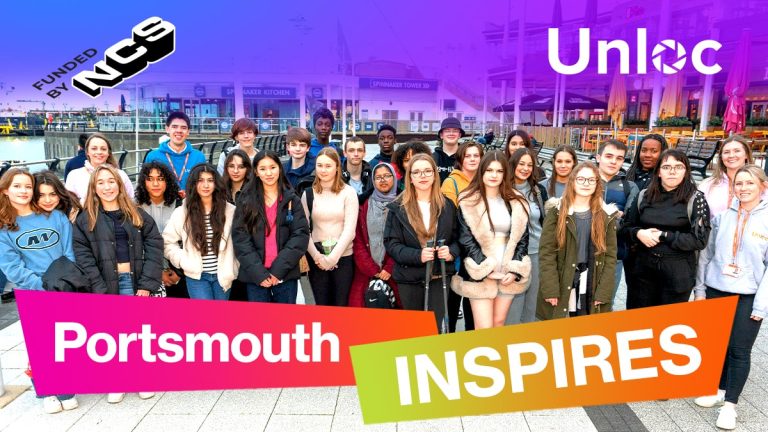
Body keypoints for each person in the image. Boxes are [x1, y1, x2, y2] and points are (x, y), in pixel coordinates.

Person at [72, 164, 162, 404]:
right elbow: (83, 257)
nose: (106, 187)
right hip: (104, 283)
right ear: (94, 187)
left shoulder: (137, 214)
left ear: (119, 184)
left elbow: (155, 248)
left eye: (111, 181)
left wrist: (146, 284)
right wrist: (99, 288)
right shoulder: (84, 219)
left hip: (134, 281)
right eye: (100, 182)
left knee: (137, 334)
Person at [692, 165, 768, 431]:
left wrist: (761, 304)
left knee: (738, 350)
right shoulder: (723, 217)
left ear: (762, 186)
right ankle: (717, 390)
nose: (743, 188)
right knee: (717, 345)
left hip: (748, 294)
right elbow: (706, 257)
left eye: (749, 183)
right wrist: (700, 290)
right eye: (739, 183)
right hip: (716, 288)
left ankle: (730, 406)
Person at [0, 168, 79, 414]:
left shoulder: (55, 217)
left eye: (27, 186)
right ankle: (45, 390)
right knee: (39, 343)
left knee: (63, 340)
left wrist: (65, 282)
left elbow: (69, 252)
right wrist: (41, 286)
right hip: (33, 292)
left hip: (63, 287)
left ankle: (65, 386)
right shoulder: (5, 228)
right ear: (5, 191)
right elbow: (12, 267)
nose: (23, 191)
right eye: (17, 186)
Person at [622, 149, 711, 309]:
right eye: (666, 167)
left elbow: (699, 240)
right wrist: (638, 233)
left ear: (686, 171)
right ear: (658, 172)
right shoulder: (644, 195)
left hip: (677, 272)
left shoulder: (696, 199)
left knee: (667, 326)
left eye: (678, 167)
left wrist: (664, 235)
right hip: (642, 271)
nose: (672, 171)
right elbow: (625, 227)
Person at [454, 151, 531, 329]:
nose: (494, 175)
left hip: (507, 272)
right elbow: (466, 240)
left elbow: (522, 239)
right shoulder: (467, 201)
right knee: (484, 327)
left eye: (499, 171)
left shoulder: (517, 201)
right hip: (480, 271)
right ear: (482, 172)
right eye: (489, 170)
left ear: (506, 174)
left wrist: (514, 270)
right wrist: (486, 269)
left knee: (498, 324)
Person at [384, 154, 460, 331]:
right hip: (409, 279)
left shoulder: (447, 206)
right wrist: (417, 255)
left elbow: (458, 240)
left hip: (439, 277)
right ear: (410, 177)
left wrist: (451, 252)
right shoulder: (398, 207)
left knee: (433, 329)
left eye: (427, 171)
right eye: (417, 172)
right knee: (414, 330)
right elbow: (391, 244)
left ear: (435, 174)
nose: (423, 176)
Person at [537, 162, 619, 320]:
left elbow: (610, 256)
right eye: (581, 179)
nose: (586, 184)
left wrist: (604, 291)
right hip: (563, 278)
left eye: (591, 180)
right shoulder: (557, 212)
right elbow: (546, 253)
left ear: (597, 184)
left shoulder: (606, 215)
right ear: (573, 181)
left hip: (591, 280)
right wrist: (550, 288)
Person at [233, 151, 309, 303]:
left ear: (279, 169)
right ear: (256, 171)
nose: (268, 173)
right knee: (260, 325)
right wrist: (259, 273)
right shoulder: (246, 200)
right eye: (263, 169)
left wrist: (278, 271)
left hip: (285, 275)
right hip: (256, 277)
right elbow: (241, 238)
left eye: (272, 167)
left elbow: (300, 235)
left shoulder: (291, 199)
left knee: (285, 324)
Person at [163, 164, 238, 300]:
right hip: (197, 277)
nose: (206, 185)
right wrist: (182, 260)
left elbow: (241, 241)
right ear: (193, 183)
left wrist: (234, 264)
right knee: (204, 319)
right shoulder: (183, 211)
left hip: (223, 275)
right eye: (200, 180)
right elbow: (167, 242)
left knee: (220, 319)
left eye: (210, 180)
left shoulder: (230, 211)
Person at [301, 148, 358, 306]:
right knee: (321, 305)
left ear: (337, 168)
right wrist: (317, 257)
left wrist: (332, 259)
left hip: (343, 257)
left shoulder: (348, 193)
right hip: (317, 258)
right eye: (320, 165)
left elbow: (349, 231)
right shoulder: (308, 194)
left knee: (341, 305)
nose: (323, 170)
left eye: (328, 166)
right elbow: (304, 230)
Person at [441, 142, 484, 331]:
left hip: (479, 252)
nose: (473, 159)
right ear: (460, 159)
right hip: (458, 250)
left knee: (472, 306)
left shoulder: (485, 181)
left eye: (476, 155)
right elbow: (447, 219)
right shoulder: (452, 183)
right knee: (452, 302)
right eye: (468, 156)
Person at [349, 163, 401, 307]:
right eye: (378, 177)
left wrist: (389, 268)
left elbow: (405, 240)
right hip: (366, 271)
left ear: (394, 178)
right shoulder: (363, 205)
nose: (383, 180)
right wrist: (372, 269)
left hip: (395, 272)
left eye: (387, 176)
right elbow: (357, 239)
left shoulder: (404, 204)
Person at [595, 139, 638, 307]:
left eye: (619, 158)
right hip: (582, 254)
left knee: (605, 302)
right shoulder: (584, 181)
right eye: (609, 156)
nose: (613, 161)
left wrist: (604, 214)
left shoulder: (629, 187)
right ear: (598, 157)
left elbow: (628, 222)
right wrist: (614, 214)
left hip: (614, 255)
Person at [507, 147, 548, 324]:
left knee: (532, 306)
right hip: (512, 256)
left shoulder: (538, 191)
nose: (525, 168)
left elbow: (544, 222)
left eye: (530, 165)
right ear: (513, 164)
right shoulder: (503, 190)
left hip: (536, 253)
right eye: (521, 164)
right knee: (512, 308)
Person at [134, 162, 186, 298]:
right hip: (147, 273)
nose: (155, 184)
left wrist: (177, 273)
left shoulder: (181, 204)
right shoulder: (135, 207)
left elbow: (187, 241)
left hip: (179, 271)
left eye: (160, 179)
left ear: (167, 181)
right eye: (150, 179)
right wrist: (157, 273)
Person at [699, 135, 764, 220]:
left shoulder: (761, 184)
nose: (731, 155)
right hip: (713, 232)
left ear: (746, 155)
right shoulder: (707, 185)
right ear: (721, 157)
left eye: (737, 151)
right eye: (726, 152)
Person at [144, 111, 206, 192]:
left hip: (191, 202)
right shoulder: (153, 156)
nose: (179, 130)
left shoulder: (198, 157)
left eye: (183, 128)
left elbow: (203, 183)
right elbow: (146, 184)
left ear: (188, 131)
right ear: (167, 129)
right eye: (174, 127)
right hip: (163, 203)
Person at [65, 133, 134, 203]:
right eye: (94, 149)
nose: (99, 152)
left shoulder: (120, 175)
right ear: (87, 152)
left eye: (103, 149)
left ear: (108, 153)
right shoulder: (74, 175)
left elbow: (130, 199)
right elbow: (70, 203)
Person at [283, 127, 316, 195]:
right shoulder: (281, 170)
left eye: (302, 145)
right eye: (294, 145)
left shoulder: (316, 169)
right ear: (288, 147)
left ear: (308, 148)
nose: (298, 149)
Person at [341, 136, 373, 204]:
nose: (356, 154)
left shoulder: (373, 175)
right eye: (351, 150)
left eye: (359, 150)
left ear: (364, 153)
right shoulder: (337, 176)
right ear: (345, 153)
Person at [433, 117, 465, 182]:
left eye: (455, 130)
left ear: (459, 135)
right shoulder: (432, 158)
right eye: (447, 130)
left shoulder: (466, 157)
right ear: (441, 135)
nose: (451, 133)